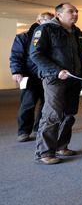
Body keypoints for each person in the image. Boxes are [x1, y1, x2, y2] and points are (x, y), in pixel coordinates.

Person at [29, 3, 82, 165]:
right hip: (54, 78)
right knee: (53, 114)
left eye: (77, 11)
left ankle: (61, 146)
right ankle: (44, 152)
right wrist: (56, 71)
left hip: (73, 78)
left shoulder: (76, 32)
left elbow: (80, 56)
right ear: (59, 14)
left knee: (69, 114)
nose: (75, 14)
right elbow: (35, 54)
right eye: (71, 11)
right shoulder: (46, 29)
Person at [9, 11, 54, 142]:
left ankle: (37, 129)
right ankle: (23, 131)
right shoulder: (23, 37)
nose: (50, 22)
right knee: (28, 104)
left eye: (51, 19)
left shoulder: (51, 37)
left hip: (46, 75)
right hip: (29, 76)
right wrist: (16, 71)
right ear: (39, 21)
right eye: (46, 19)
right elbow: (16, 56)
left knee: (45, 104)